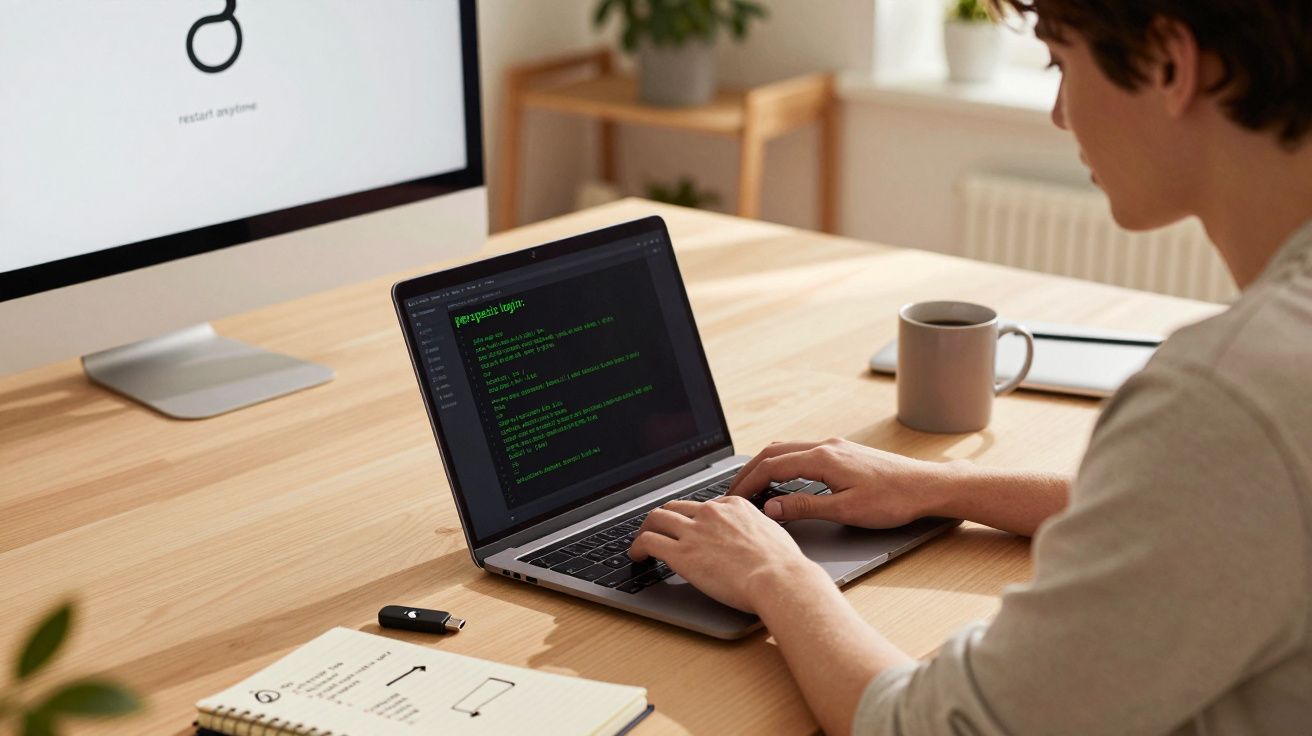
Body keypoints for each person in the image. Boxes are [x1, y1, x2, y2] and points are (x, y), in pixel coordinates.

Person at [627, 1, 1312, 733]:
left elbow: (930, 726)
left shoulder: (1228, 398)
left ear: (1170, 66)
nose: (1058, 113)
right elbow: (1210, 513)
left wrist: (777, 576)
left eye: (1059, 63)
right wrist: (942, 485)